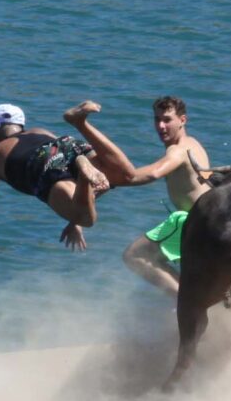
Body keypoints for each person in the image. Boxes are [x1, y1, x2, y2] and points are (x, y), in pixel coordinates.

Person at [71, 96, 213, 293]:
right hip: (210, 219)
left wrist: (118, 178)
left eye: (167, 120)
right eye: (157, 120)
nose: (161, 126)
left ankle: (185, 302)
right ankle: (192, 301)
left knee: (135, 256)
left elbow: (153, 173)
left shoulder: (178, 150)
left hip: (193, 220)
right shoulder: (194, 144)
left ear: (183, 120)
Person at [0, 103, 124, 267]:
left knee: (86, 219)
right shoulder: (40, 131)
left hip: (38, 167)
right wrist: (74, 221)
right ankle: (86, 174)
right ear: (21, 124)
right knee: (122, 177)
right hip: (66, 148)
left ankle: (82, 179)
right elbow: (62, 160)